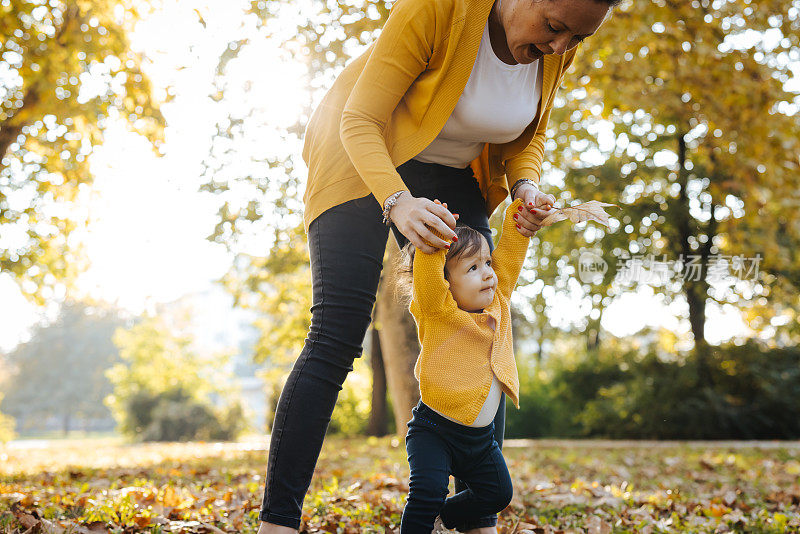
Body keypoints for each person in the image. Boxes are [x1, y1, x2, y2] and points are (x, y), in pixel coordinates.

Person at [258, 0, 619, 532]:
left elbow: (529, 134)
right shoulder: (437, 10)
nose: (560, 48)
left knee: (484, 320)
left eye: (577, 39)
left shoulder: (552, 50)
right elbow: (360, 119)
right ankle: (278, 522)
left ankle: (477, 518)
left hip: (452, 172)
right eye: (554, 28)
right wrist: (397, 203)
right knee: (336, 333)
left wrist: (524, 184)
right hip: (361, 157)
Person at [395, 197, 538, 532]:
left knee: (498, 494)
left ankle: (443, 518)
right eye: (472, 269)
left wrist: (524, 210)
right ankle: (426, 514)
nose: (488, 274)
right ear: (447, 283)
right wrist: (435, 239)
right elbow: (428, 280)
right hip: (434, 433)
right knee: (427, 492)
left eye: (487, 263)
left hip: (479, 442)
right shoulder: (438, 312)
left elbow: (513, 251)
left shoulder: (498, 302)